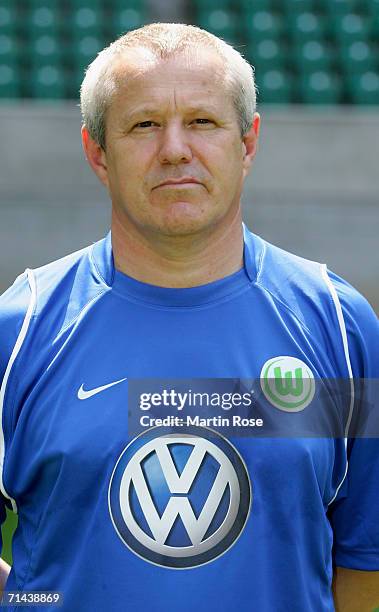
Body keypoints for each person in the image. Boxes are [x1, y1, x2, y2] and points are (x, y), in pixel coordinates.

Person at [0, 22, 378, 612]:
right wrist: (37, 598)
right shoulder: (19, 329)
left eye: (202, 122)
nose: (175, 148)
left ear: (247, 143)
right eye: (144, 124)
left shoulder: (340, 323)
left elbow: (365, 559)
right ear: (97, 152)